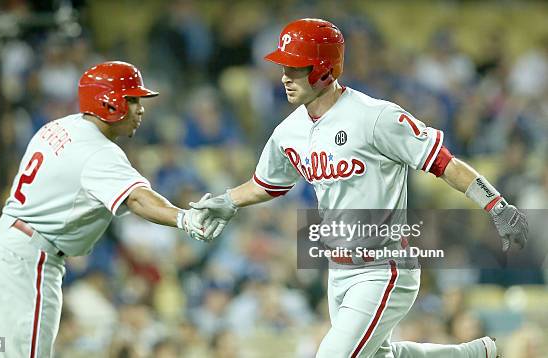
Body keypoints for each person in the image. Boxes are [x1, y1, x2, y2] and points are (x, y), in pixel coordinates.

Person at [191, 19, 527, 358]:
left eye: (294, 68)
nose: (284, 77)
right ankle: (471, 355)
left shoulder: (374, 117)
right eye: (283, 67)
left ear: (323, 69)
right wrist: (228, 201)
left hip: (384, 266)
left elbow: (443, 163)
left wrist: (497, 206)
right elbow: (266, 185)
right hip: (337, 270)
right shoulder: (287, 131)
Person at [0, 61, 214, 357]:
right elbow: (139, 199)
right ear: (109, 101)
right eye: (132, 99)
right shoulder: (99, 152)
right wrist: (186, 218)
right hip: (29, 258)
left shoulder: (61, 125)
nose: (140, 109)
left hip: (4, 242)